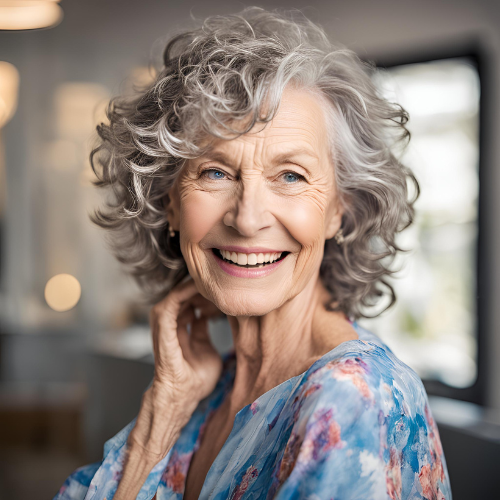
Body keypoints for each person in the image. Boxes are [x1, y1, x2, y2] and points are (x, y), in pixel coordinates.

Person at [54, 7, 452, 500]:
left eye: (291, 176)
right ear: (169, 203)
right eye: (215, 172)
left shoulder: (353, 400)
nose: (247, 218)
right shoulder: (209, 389)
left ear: (338, 211)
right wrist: (166, 408)